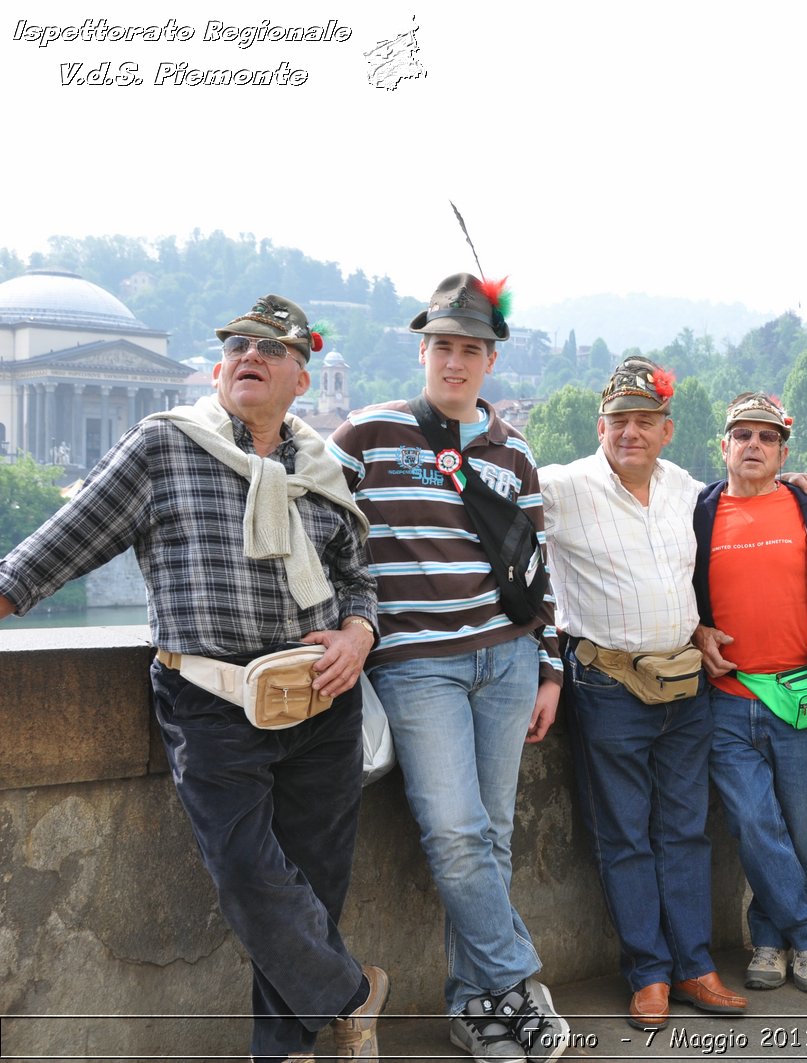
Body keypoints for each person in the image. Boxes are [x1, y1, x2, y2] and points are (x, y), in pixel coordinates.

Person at [0, 295, 386, 1062]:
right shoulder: (162, 446)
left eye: (270, 349)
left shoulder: (325, 465)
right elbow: (57, 546)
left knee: (313, 881)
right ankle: (352, 997)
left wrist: (359, 632)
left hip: (322, 698)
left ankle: (284, 1050)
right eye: (238, 344)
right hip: (212, 703)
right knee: (247, 875)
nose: (251, 354)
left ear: (300, 379)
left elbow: (357, 577)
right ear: (216, 370)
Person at [328, 273, 568, 1061]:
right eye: (443, 346)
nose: (455, 361)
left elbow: (535, 569)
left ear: (491, 360)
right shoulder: (369, 433)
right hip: (416, 663)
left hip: (504, 658)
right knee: (456, 832)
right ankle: (516, 980)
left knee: (493, 835)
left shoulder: (513, 451)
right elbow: (315, 525)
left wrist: (549, 665)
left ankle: (474, 1007)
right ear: (422, 350)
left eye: (471, 349)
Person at [540, 358, 749, 1031]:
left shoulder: (685, 488)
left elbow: (740, 498)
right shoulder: (562, 486)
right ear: (601, 427)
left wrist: (805, 484)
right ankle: (649, 973)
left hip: (685, 683)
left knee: (685, 830)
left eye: (644, 421)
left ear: (667, 430)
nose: (631, 432)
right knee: (625, 834)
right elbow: (489, 509)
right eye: (619, 421)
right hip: (607, 684)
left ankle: (694, 966)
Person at [690, 392, 807, 995]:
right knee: (753, 823)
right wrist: (695, 629)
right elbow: (677, 592)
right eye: (743, 436)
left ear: (783, 450)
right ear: (725, 446)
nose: (754, 446)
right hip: (728, 696)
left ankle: (770, 939)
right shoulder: (700, 512)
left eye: (766, 437)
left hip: (800, 696)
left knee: (794, 823)